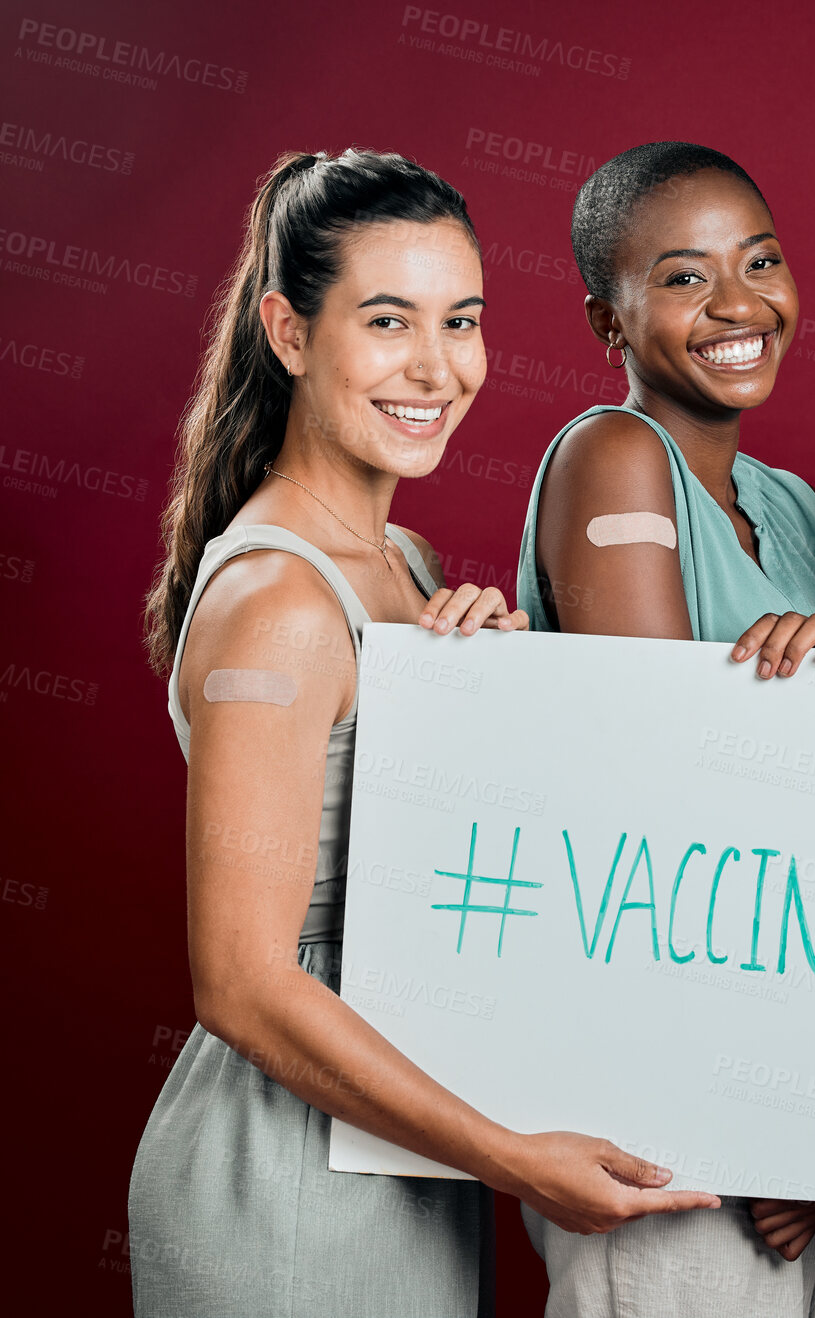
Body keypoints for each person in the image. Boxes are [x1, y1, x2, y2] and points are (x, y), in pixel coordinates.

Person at [132, 148, 718, 1318]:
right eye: (388, 321)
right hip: (286, 1183)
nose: (437, 367)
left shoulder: (399, 565)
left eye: (462, 321)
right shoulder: (282, 605)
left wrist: (476, 700)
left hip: (401, 1160)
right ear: (288, 332)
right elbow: (242, 985)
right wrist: (507, 1154)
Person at [514, 141, 815, 1318]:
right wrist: (764, 1111)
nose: (740, 305)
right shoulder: (613, 455)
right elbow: (659, 795)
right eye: (685, 278)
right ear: (608, 315)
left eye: (761, 262)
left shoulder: (794, 505)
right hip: (674, 1082)